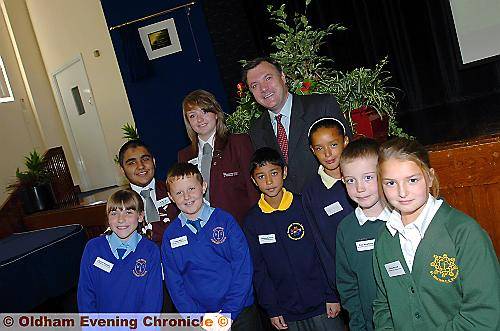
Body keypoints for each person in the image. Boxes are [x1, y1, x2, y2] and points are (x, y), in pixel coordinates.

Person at [373, 137, 500, 330]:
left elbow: (484, 315)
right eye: (390, 183)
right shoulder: (384, 242)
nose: (402, 192)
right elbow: (383, 306)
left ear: (430, 177)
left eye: (412, 180)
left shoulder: (464, 233)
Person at [243, 147, 344, 331]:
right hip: (285, 312)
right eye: (261, 176)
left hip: (323, 304)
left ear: (285, 172)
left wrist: (332, 294)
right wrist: (271, 308)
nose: (269, 181)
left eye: (274, 173)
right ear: (253, 180)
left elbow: (324, 251)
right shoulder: (252, 221)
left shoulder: (303, 205)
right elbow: (259, 270)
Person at [161, 163, 261, 330]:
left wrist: (228, 314)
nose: (187, 197)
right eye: (179, 192)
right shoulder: (170, 236)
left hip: (240, 311)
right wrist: (197, 318)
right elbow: (174, 283)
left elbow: (243, 268)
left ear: (203, 187)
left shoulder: (226, 221)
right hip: (202, 319)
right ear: (171, 197)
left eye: (191, 189)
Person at [243, 57, 351, 193]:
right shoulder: (256, 130)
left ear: (282, 76)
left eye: (268, 78)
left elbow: (351, 155)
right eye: (254, 85)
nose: (264, 88)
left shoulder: (321, 106)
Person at [178, 89, 259, 225]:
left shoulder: (238, 143)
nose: (199, 119)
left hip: (241, 226)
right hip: (204, 231)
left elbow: (253, 189)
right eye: (192, 115)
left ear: (216, 113)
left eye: (204, 111)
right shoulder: (184, 156)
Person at [335, 138, 390, 331]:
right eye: (351, 180)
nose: (360, 188)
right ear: (343, 181)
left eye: (368, 177)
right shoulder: (346, 229)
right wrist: (358, 325)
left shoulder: (401, 219)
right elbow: (347, 285)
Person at [77, 189, 162, 313]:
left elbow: (152, 301)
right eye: (114, 213)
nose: (120, 219)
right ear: (107, 217)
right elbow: (85, 295)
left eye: (128, 212)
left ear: (140, 216)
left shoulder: (150, 251)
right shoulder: (93, 248)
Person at [302, 118, 354, 301]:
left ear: (345, 141)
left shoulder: (366, 176)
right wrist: (332, 288)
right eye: (319, 148)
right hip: (346, 278)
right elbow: (319, 242)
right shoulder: (311, 192)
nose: (328, 153)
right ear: (312, 151)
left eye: (333, 144)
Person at [118, 139, 178, 245]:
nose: (141, 166)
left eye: (145, 159)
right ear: (123, 170)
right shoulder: (119, 203)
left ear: (154, 162)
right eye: (132, 163)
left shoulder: (174, 190)